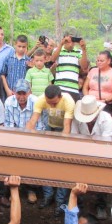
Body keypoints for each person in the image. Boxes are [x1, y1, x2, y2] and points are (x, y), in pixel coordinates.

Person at [26, 85, 75, 214]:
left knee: (62, 165)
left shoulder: (68, 101)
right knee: (46, 163)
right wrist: (26, 138)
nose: (52, 106)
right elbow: (33, 120)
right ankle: (48, 195)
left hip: (63, 130)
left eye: (54, 103)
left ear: (60, 97)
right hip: (49, 128)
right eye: (49, 103)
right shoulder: (41, 100)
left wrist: (62, 148)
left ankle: (60, 202)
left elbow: (66, 127)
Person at [71, 95, 112, 219]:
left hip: (102, 153)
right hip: (81, 151)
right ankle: (77, 203)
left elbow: (106, 144)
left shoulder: (106, 119)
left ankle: (101, 204)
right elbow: (74, 138)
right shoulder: (77, 119)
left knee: (104, 174)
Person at [50, 30, 89, 101]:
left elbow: (84, 66)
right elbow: (52, 60)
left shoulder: (79, 52)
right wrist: (61, 44)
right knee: (59, 111)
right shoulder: (57, 50)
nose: (71, 43)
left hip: (73, 88)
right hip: (59, 87)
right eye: (69, 40)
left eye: (73, 40)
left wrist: (84, 49)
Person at [83, 50, 112, 116]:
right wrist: (87, 98)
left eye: (101, 61)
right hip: (90, 103)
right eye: (98, 61)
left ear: (109, 61)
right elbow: (85, 87)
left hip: (105, 104)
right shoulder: (92, 71)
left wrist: (105, 100)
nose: (99, 62)